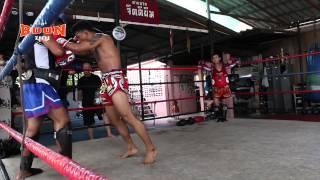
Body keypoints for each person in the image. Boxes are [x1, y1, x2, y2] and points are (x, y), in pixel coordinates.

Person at [60, 20, 157, 164]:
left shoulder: (102, 38)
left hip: (115, 77)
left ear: (86, 32)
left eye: (78, 35)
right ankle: (131, 147)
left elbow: (79, 48)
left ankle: (151, 149)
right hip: (105, 81)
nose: (77, 38)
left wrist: (59, 39)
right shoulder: (92, 45)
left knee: (127, 116)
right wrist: (71, 42)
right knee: (113, 120)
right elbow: (79, 49)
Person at [16, 25, 74, 179]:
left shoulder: (26, 39)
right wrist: (60, 42)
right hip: (40, 83)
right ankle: (68, 167)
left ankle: (23, 171)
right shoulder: (42, 32)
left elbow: (18, 64)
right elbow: (59, 51)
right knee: (63, 121)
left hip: (29, 84)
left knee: (32, 130)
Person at [78, 62, 112, 139]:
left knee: (105, 114)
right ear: (83, 69)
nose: (86, 69)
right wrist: (79, 103)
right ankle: (91, 138)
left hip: (97, 100)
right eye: (84, 68)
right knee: (89, 121)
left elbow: (102, 87)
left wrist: (100, 97)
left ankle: (109, 133)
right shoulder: (81, 80)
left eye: (87, 67)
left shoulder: (96, 77)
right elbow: (79, 92)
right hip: (86, 101)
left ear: (90, 69)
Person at [211, 54, 234, 121]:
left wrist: (231, 60)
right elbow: (202, 65)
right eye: (213, 58)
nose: (215, 59)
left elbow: (235, 62)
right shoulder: (211, 67)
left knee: (224, 102)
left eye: (216, 57)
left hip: (225, 87)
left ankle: (224, 117)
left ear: (219, 58)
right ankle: (218, 117)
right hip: (216, 87)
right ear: (212, 60)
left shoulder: (225, 65)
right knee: (216, 103)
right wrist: (203, 63)